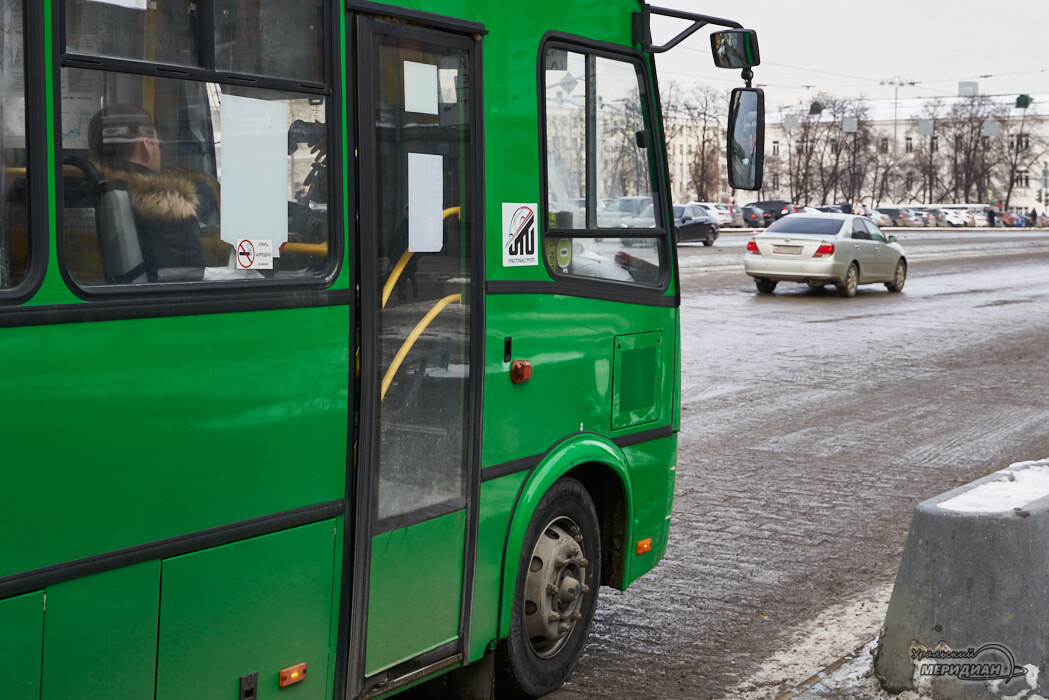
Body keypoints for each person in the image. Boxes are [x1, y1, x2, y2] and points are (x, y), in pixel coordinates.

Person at [88, 104, 204, 281]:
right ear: (146, 146)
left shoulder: (84, 191)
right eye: (156, 141)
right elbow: (189, 279)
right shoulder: (168, 205)